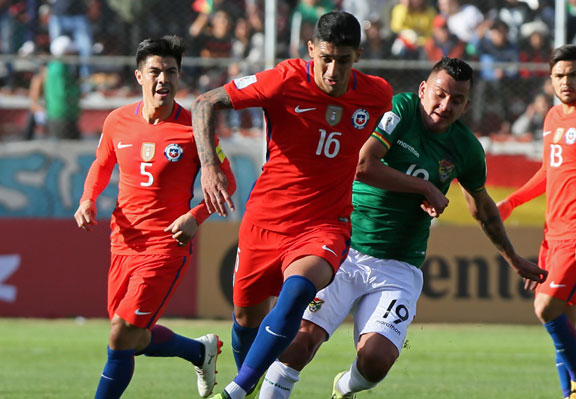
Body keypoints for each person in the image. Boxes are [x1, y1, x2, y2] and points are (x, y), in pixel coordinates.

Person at [257, 57, 548, 399]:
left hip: (398, 266)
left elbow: (481, 208)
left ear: (466, 105)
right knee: (300, 341)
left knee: (376, 361)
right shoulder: (402, 108)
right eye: (439, 94)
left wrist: (513, 258)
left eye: (456, 100)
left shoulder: (467, 148)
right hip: (342, 247)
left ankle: (344, 387)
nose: (445, 105)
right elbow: (363, 164)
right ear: (423, 89)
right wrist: (422, 187)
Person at [191, 11, 393, 399]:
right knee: (246, 319)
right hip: (265, 220)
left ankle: (237, 390)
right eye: (326, 58)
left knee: (299, 290)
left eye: (344, 60)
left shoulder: (378, 94)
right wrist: (209, 166)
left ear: (359, 56)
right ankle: (246, 384)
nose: (334, 70)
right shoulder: (283, 80)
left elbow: (388, 148)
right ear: (311, 50)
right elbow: (205, 102)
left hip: (325, 224)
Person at [74, 35, 236, 399]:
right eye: (155, 72)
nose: (163, 79)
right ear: (139, 76)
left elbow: (227, 181)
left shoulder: (196, 129)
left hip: (166, 244)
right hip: (123, 240)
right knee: (130, 335)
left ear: (179, 76)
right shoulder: (117, 121)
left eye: (171, 71)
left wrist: (196, 216)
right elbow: (101, 166)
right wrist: (87, 200)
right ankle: (200, 351)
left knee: (120, 334)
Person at [497, 44, 576, 399]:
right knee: (565, 322)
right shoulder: (552, 117)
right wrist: (511, 202)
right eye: (559, 76)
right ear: (550, 79)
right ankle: (570, 395)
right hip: (553, 234)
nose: (566, 82)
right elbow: (549, 172)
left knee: (545, 307)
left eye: (573, 75)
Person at [28, 35, 81, 140]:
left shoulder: (55, 66)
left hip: (61, 113)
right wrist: (78, 90)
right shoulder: (59, 68)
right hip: (62, 114)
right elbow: (62, 93)